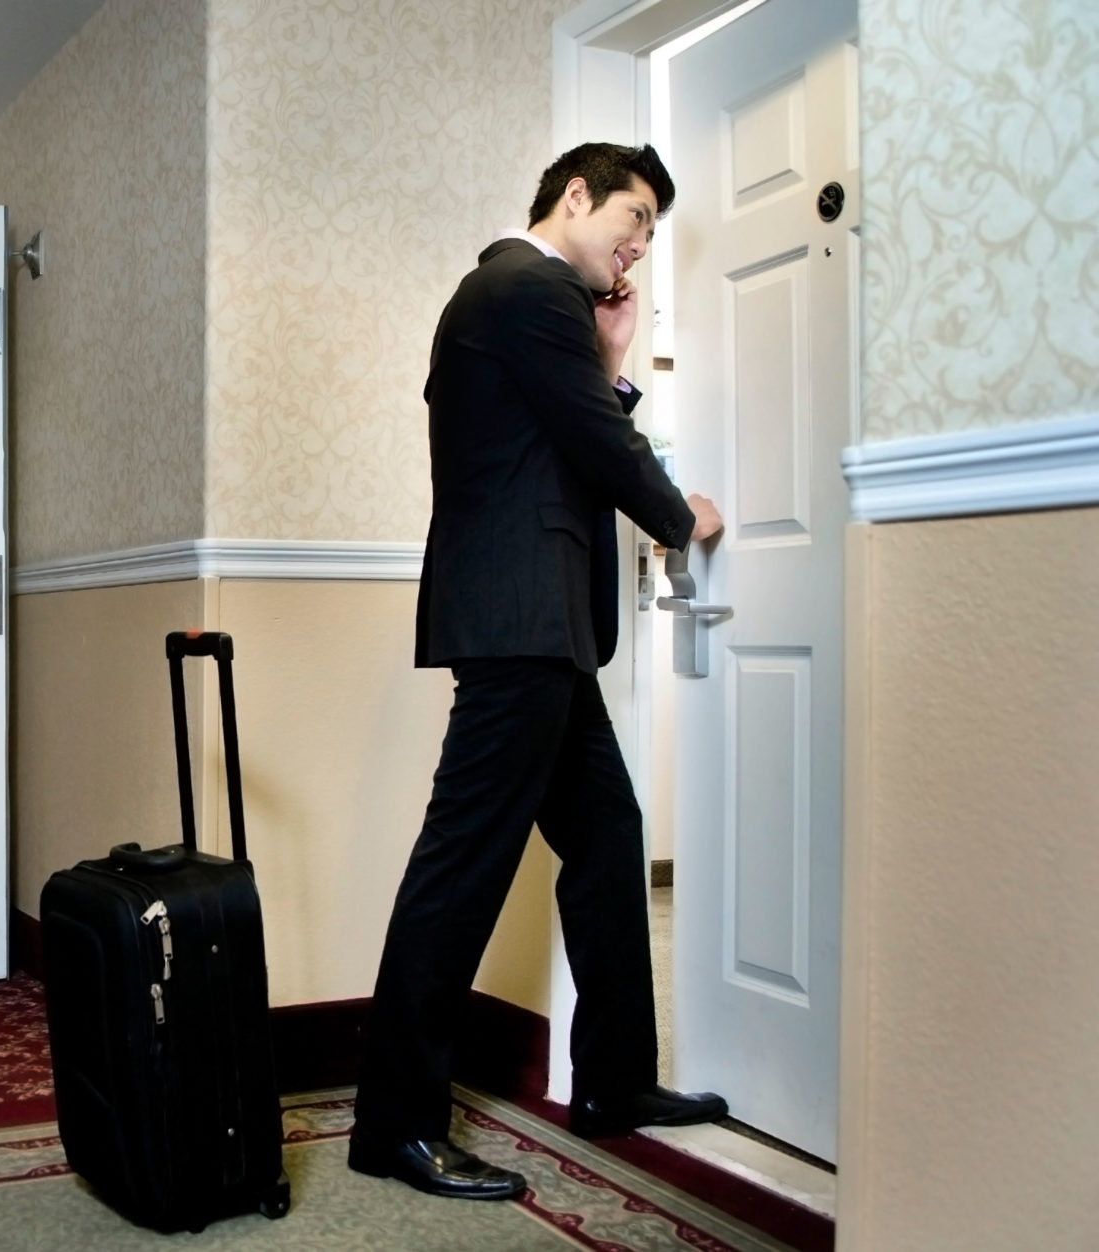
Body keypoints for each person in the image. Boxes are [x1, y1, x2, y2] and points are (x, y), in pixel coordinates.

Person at [347, 142, 728, 1202]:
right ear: (575, 197)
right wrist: (678, 516)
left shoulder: (516, 299)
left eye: (652, 231)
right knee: (461, 866)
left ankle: (610, 1084)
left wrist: (608, 360)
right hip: (519, 626)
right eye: (635, 217)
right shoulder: (526, 288)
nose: (639, 244)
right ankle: (396, 1124)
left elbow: (558, 432)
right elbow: (600, 451)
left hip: (538, 625)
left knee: (608, 837)